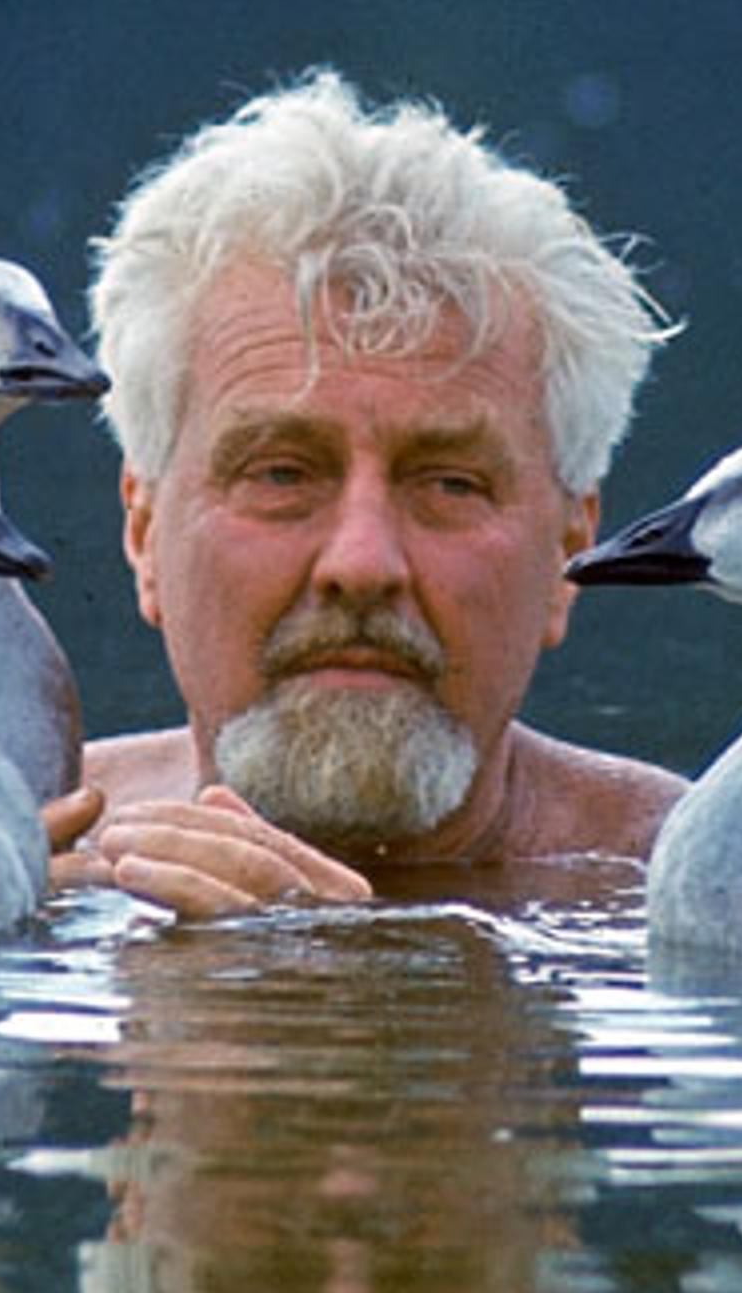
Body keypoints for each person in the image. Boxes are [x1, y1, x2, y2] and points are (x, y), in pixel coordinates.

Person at [53, 70, 685, 917]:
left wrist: (314, 975)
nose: (361, 563)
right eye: (281, 474)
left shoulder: (710, 895)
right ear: (143, 533)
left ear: (571, 551)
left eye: (450, 485)